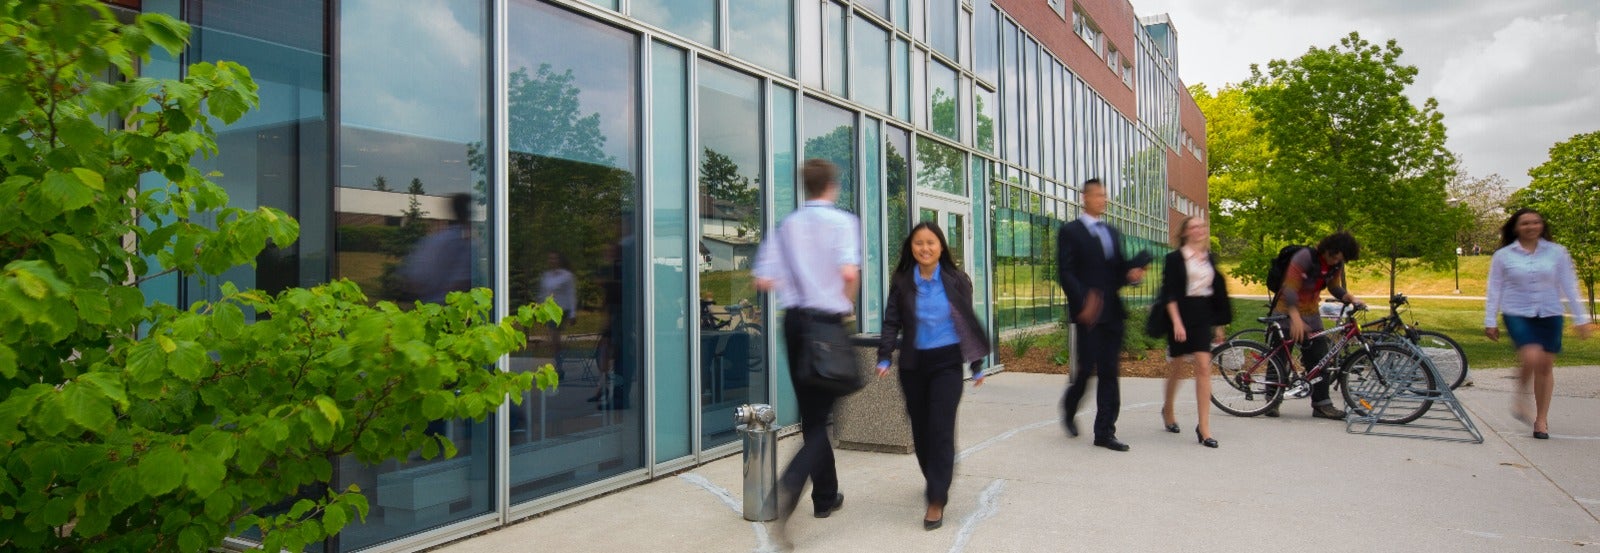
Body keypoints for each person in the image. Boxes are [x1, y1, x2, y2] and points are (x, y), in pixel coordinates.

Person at [751, 159, 860, 544]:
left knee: (813, 417)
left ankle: (825, 496)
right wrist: (845, 305)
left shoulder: (788, 226)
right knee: (822, 416)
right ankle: (790, 484)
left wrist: (795, 280)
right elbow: (849, 274)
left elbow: (763, 279)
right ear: (831, 185)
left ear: (805, 186)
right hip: (827, 324)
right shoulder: (843, 223)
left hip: (794, 324)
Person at [876, 222, 991, 531]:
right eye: (918, 243)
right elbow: (891, 321)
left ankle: (936, 499)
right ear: (911, 248)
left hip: (947, 366)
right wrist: (885, 356)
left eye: (930, 242)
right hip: (913, 366)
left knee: (940, 429)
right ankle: (935, 479)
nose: (924, 248)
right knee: (922, 431)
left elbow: (966, 322)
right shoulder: (902, 281)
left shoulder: (956, 280)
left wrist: (977, 363)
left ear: (941, 246)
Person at [1056, 178, 1150, 452]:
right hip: (1088, 315)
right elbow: (1066, 271)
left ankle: (1104, 432)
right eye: (1098, 195)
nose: (1103, 200)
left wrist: (1132, 273)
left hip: (1112, 314)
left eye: (1105, 195)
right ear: (1084, 197)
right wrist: (1083, 300)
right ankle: (1069, 407)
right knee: (1086, 370)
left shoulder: (1111, 231)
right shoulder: (1070, 232)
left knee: (1110, 372)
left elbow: (1117, 271)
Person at [1484, 208, 1594, 439]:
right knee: (1532, 356)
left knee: (1545, 365)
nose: (1531, 227)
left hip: (1550, 312)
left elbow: (1569, 285)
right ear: (1516, 227)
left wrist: (1581, 318)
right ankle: (1521, 396)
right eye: (1525, 223)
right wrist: (1490, 320)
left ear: (1542, 226)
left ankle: (1541, 419)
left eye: (1535, 222)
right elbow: (1495, 289)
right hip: (1517, 312)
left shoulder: (1557, 253)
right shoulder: (1504, 256)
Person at [1270, 231, 1364, 419]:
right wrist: (1295, 319)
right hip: (1286, 311)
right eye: (1336, 256)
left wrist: (1350, 297)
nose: (1337, 261)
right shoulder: (1305, 257)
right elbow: (1289, 289)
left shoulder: (1335, 264)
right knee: (1279, 357)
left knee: (1321, 358)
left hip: (1311, 314)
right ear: (1330, 249)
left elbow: (1334, 287)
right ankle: (1272, 401)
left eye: (1342, 259)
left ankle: (1322, 404)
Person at [1157, 216, 1232, 448]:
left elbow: (1216, 292)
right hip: (1179, 313)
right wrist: (1177, 323)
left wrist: (1219, 324)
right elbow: (1168, 293)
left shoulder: (1209, 258)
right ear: (1186, 232)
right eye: (1194, 227)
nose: (1199, 230)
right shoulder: (1174, 259)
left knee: (1203, 366)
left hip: (1202, 315)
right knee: (1177, 366)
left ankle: (1204, 427)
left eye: (1202, 226)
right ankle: (1168, 408)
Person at [399, 193, 474, 304]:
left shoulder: (436, 240)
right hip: (449, 311)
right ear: (468, 214)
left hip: (431, 308)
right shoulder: (463, 244)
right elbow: (462, 282)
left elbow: (414, 278)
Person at [539, 252, 578, 376]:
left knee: (555, 337)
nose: (552, 261)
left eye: (555, 258)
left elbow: (571, 294)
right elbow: (543, 293)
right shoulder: (546, 276)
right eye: (550, 258)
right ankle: (560, 356)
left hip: (562, 310)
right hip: (549, 310)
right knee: (553, 340)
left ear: (559, 260)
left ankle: (559, 367)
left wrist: (573, 313)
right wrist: (539, 309)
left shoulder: (567, 276)